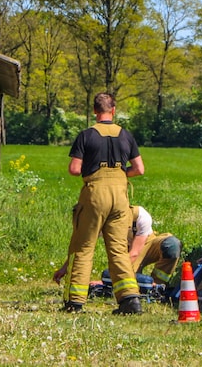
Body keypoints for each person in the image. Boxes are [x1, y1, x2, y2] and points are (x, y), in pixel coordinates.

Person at [59, 92, 145, 315]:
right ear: (113, 111)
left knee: (83, 246)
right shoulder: (126, 135)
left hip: (95, 194)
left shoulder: (86, 135)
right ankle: (130, 300)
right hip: (120, 195)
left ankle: (75, 301)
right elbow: (139, 169)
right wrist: (119, 174)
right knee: (117, 249)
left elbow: (74, 169)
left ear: (95, 111)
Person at [52, 205, 182, 295]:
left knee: (172, 245)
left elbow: (135, 253)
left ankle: (157, 286)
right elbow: (82, 247)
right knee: (125, 279)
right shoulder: (103, 220)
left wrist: (111, 278)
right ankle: (140, 286)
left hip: (146, 244)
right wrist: (65, 268)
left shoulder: (141, 216)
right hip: (125, 249)